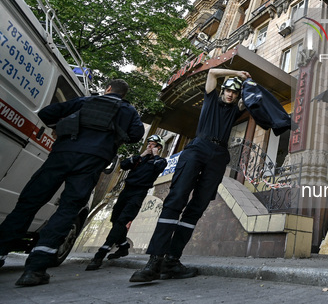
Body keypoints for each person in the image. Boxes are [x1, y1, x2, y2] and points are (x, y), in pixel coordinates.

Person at [0, 79, 144, 287]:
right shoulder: (128, 111)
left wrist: (60, 128)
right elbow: (136, 135)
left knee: (29, 202)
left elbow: (46, 113)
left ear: (108, 89)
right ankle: (35, 269)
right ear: (123, 94)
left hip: (62, 154)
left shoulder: (85, 101)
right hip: (92, 161)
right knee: (68, 209)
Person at [130, 68, 250, 283]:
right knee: (176, 198)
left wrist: (248, 83)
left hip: (219, 154)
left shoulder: (235, 110)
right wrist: (236, 73)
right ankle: (154, 261)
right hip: (198, 148)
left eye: (235, 92)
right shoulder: (211, 99)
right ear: (222, 91)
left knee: (198, 205)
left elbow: (252, 98)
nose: (231, 94)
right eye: (228, 90)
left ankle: (172, 260)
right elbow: (213, 72)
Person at [86, 134, 167, 271]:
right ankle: (123, 246)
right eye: (149, 144)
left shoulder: (159, 161)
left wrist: (155, 155)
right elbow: (123, 165)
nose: (149, 146)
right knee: (115, 219)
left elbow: (160, 167)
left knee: (122, 220)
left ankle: (100, 254)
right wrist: (141, 155)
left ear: (159, 147)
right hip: (126, 191)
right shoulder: (139, 160)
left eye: (153, 144)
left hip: (138, 193)